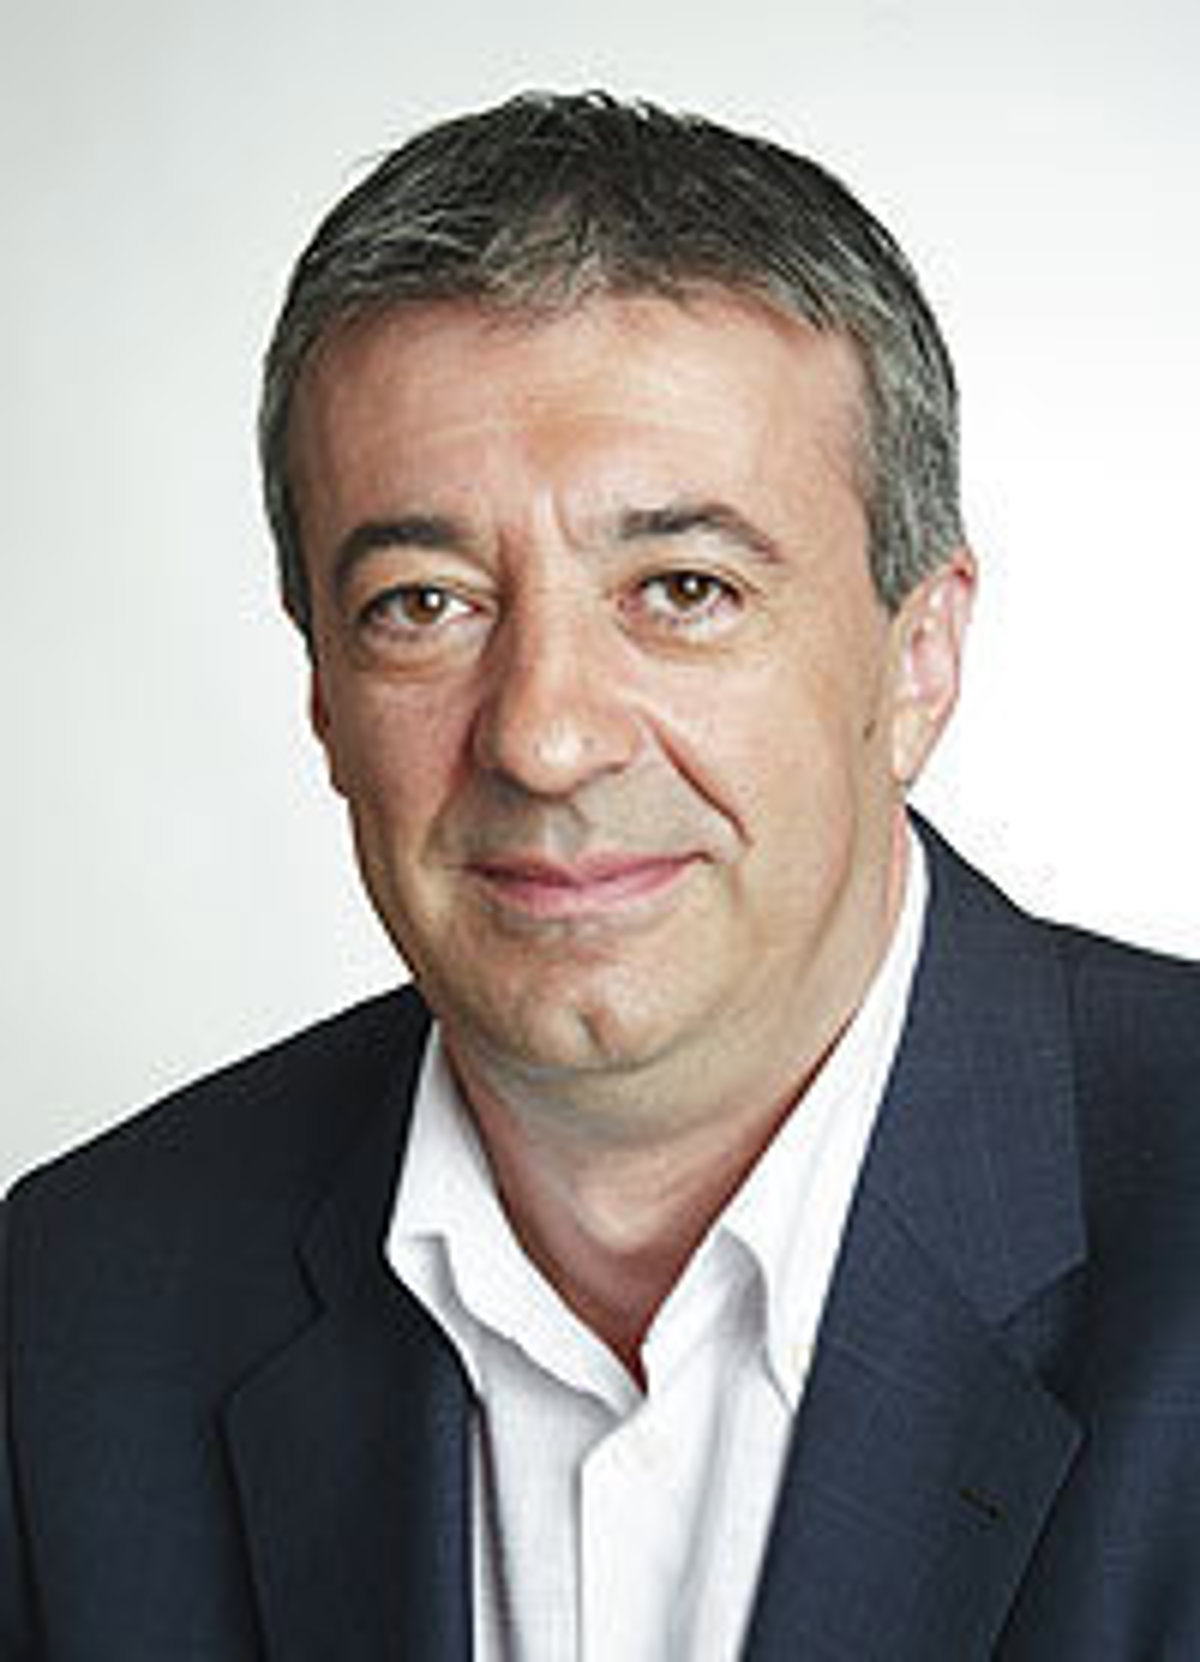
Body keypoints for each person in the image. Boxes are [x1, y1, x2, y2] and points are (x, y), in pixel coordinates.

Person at [3, 90, 1200, 1662]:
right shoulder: (80, 1310)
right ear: (322, 697)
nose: (547, 736)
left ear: (918, 657)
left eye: (683, 588)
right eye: (423, 603)